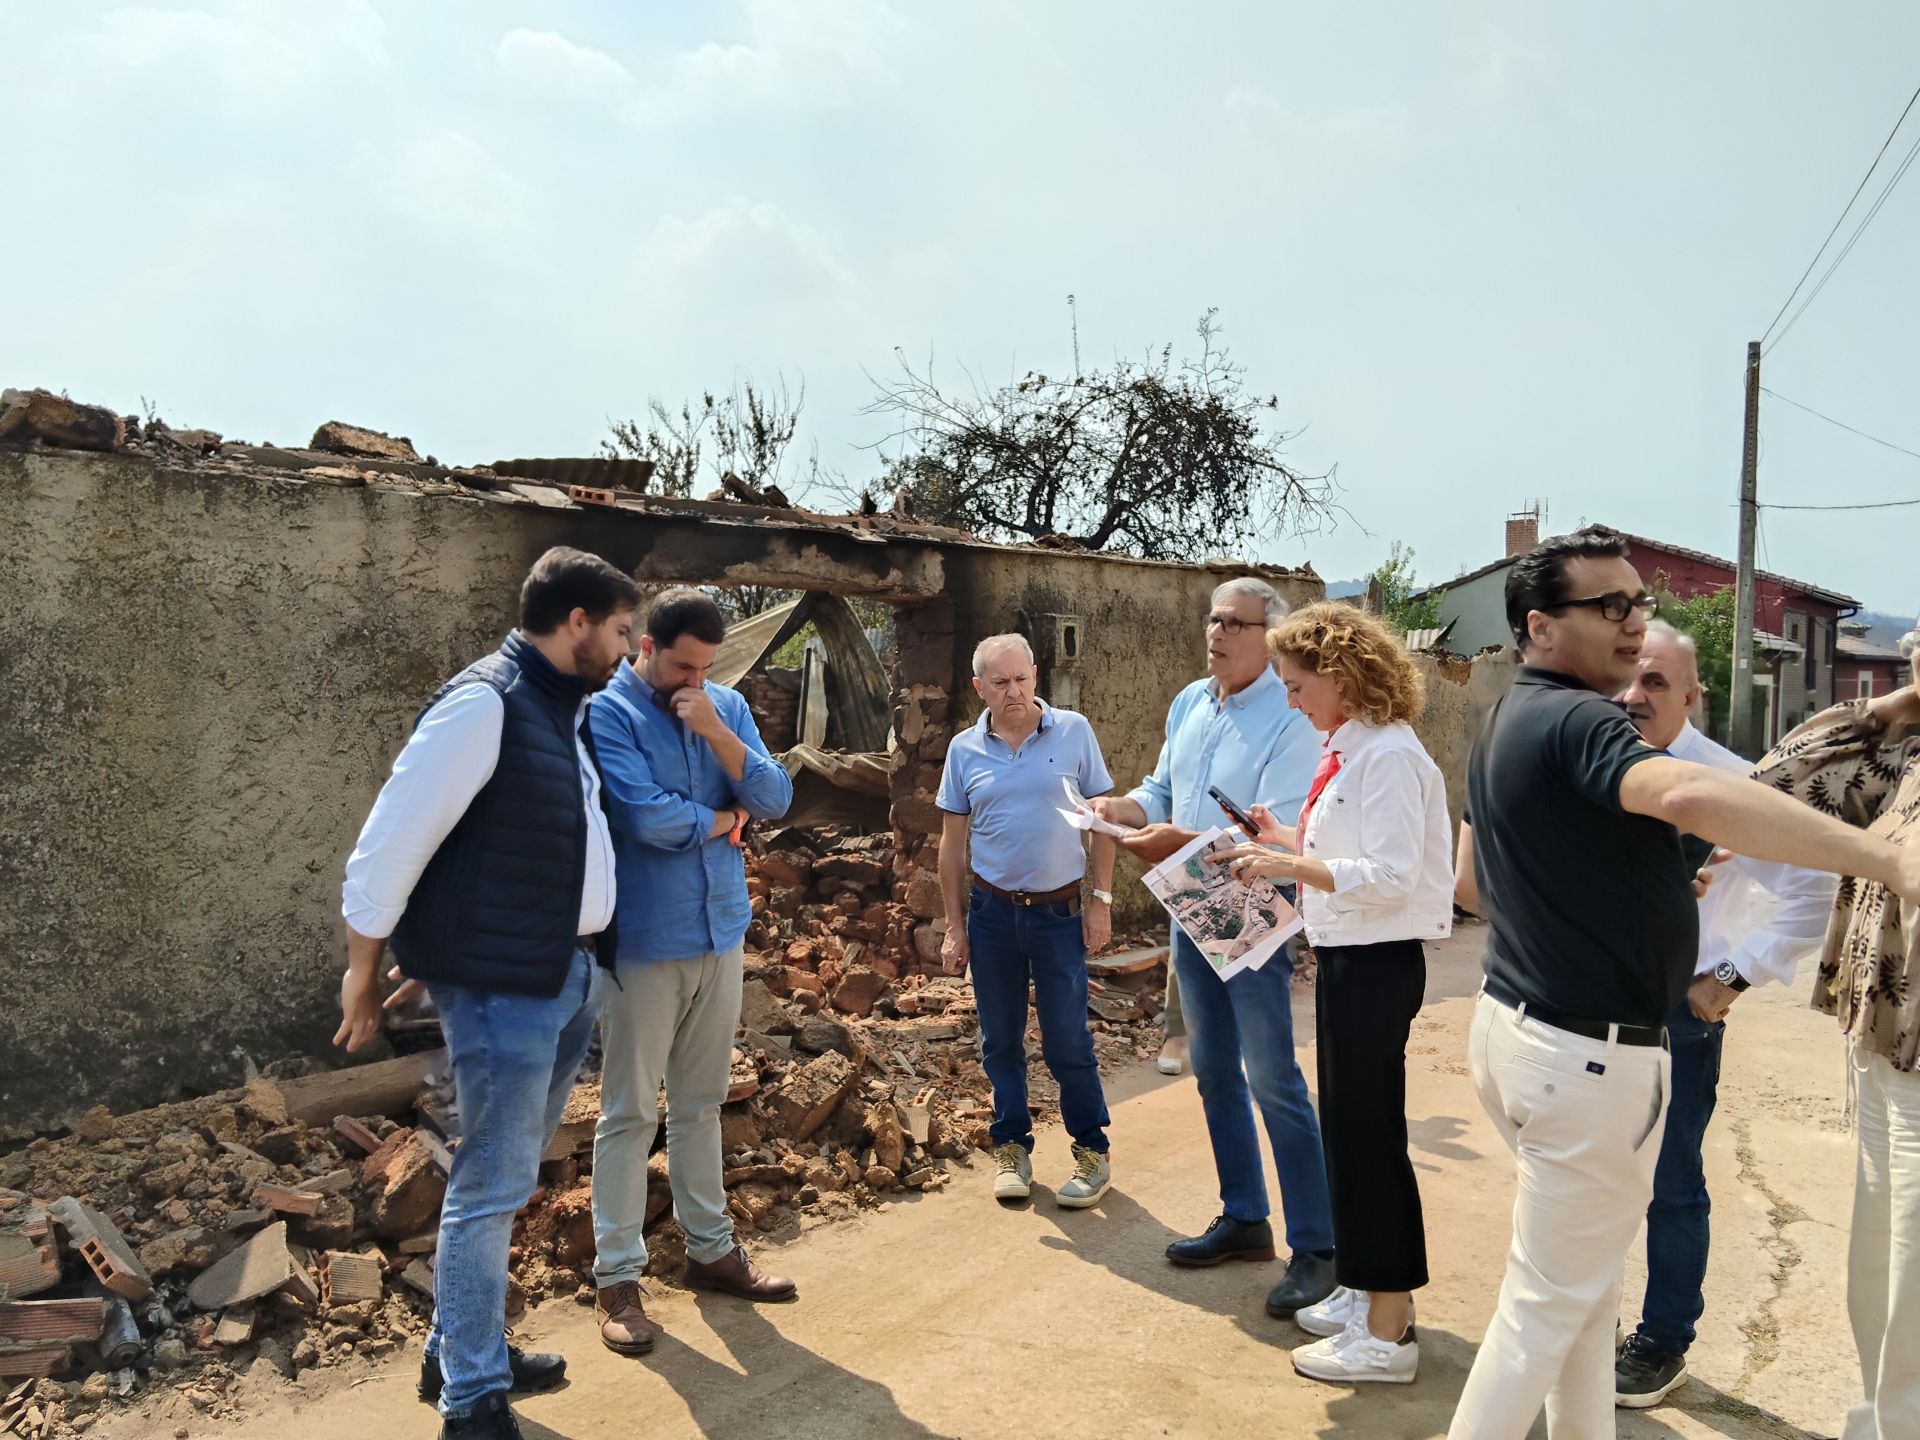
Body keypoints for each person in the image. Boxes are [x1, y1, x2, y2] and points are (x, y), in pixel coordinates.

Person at [1447, 527, 1920, 1440]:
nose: (1632, 623)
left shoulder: (1517, 712)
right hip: (1586, 1060)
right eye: (1609, 606)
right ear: (1542, 626)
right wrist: (1885, 859)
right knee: (1544, 1313)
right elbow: (1685, 795)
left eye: (1640, 604)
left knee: (1584, 1306)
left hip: (1535, 1036)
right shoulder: (1584, 719)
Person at [336, 547, 639, 1440]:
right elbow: (390, 844)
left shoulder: (560, 707)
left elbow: (513, 844)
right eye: (621, 631)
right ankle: (472, 1398)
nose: (627, 650)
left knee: (504, 1178)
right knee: (489, 1184)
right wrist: (362, 968)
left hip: (556, 970)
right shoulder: (485, 705)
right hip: (509, 987)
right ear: (577, 622)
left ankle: (460, 1351)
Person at [1213, 603, 1452, 1385]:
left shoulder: (1385, 756)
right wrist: (1284, 838)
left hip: (1377, 961)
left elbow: (1390, 878)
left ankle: (1386, 1330)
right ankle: (1367, 1294)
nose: (1291, 699)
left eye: (1296, 683)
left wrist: (1290, 868)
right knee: (1351, 1135)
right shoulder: (1353, 751)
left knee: (1368, 1140)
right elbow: (1348, 850)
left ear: (1340, 676)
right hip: (1353, 958)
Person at [1090, 577, 1337, 1321]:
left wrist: (1173, 840)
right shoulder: (1191, 703)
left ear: (1269, 636)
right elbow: (1163, 790)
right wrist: (1116, 810)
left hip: (1249, 905)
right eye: (1213, 619)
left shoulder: (1291, 716)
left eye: (1234, 622)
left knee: (1272, 1077)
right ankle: (1244, 1217)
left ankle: (1319, 1247)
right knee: (1211, 1069)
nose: (1216, 632)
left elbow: (1274, 833)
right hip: (1189, 902)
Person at [1611, 621, 1835, 1409]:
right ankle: (1590, 1320)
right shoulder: (1596, 762)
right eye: (1627, 680)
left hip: (1679, 1010)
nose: (1635, 697)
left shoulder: (1733, 784)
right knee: (1593, 1178)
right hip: (1592, 1003)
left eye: (1657, 684)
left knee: (1671, 1182)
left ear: (1693, 695)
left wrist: (1731, 979)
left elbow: (1814, 888)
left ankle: (1662, 1342)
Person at [588, 588, 797, 1356]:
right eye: (682, 666)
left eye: (706, 669)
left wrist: (718, 736)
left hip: (720, 932)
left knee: (702, 1103)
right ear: (645, 645)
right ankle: (617, 1280)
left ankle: (711, 1252)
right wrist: (722, 819)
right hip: (644, 940)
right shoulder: (607, 712)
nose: (693, 682)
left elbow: (775, 795)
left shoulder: (722, 706)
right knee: (629, 1112)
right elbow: (645, 817)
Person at [1751, 631, 1920, 1440]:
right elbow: (1779, 786)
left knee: (1914, 1279)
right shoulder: (1906, 749)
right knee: (1881, 1270)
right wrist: (1894, 703)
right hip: (1880, 1036)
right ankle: (1881, 1420)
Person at [937, 633, 1118, 1207]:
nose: (1013, 692)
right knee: (1000, 1040)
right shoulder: (964, 750)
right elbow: (950, 846)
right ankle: (1011, 1147)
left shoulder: (1074, 733)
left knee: (1068, 1040)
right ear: (979, 688)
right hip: (992, 915)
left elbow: (1104, 820)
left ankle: (1091, 1151)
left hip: (1060, 913)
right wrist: (954, 925)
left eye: (1021, 679)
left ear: (1035, 676)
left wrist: (1102, 900)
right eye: (1000, 683)